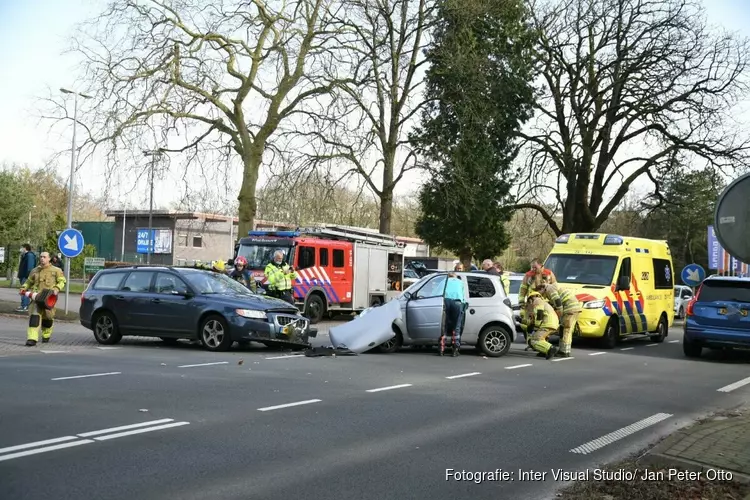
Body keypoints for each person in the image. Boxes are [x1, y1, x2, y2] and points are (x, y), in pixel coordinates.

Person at [20, 251, 66, 346]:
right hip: (36, 298)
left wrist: (57, 288)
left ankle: (46, 335)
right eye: (41, 257)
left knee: (48, 318)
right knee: (34, 317)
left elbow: (62, 281)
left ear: (49, 258)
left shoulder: (56, 270)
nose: (42, 258)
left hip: (49, 300)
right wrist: (24, 287)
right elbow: (29, 282)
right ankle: (32, 339)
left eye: (44, 257)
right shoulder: (34, 270)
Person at [536, 283, 581, 358]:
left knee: (566, 330)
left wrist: (558, 317)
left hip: (570, 309)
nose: (540, 295)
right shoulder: (552, 288)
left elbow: (558, 303)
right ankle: (563, 350)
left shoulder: (550, 290)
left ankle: (564, 352)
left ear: (542, 288)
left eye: (539, 292)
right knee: (563, 330)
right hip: (572, 308)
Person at [521, 290, 559, 359]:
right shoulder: (542, 302)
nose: (529, 304)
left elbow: (539, 314)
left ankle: (550, 349)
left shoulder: (537, 301)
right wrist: (522, 320)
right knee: (541, 338)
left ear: (531, 298)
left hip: (547, 324)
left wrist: (536, 326)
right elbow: (532, 322)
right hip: (551, 324)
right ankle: (543, 351)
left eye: (529, 301)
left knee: (535, 340)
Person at [439, 272, 467, 357]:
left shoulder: (444, 281)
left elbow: (438, 293)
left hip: (446, 301)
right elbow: (463, 296)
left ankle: (441, 349)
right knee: (456, 326)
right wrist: (463, 306)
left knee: (444, 325)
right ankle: (455, 349)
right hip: (457, 302)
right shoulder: (460, 282)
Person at [16, 244, 36, 312]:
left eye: (22, 247)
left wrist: (28, 277)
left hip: (26, 276)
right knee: (23, 291)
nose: (21, 249)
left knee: (24, 291)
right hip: (23, 275)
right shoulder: (26, 255)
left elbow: (29, 267)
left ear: (25, 248)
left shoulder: (29, 255)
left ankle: (25, 306)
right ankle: (23, 305)